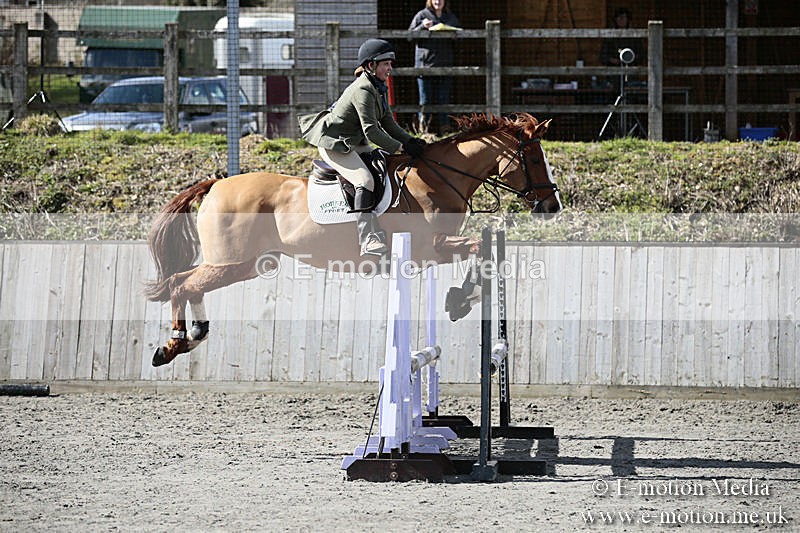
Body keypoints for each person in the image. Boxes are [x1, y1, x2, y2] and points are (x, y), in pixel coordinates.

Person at [299, 38, 427, 257]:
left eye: (390, 63)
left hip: (354, 141)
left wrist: (410, 141)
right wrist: (399, 148)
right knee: (364, 180)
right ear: (371, 65)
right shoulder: (363, 89)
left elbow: (388, 123)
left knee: (384, 169)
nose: (390, 68)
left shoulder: (379, 87)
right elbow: (372, 131)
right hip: (335, 143)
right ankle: (367, 238)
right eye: (385, 63)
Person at [408, 0, 460, 133]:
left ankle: (445, 128)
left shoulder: (450, 17)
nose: (438, 1)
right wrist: (421, 26)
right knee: (425, 100)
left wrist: (453, 34)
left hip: (444, 65)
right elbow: (409, 36)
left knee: (444, 99)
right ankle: (423, 129)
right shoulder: (421, 15)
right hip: (425, 66)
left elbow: (460, 36)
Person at [599, 7, 644, 91]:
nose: (621, 20)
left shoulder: (634, 36)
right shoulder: (610, 37)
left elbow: (641, 55)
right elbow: (602, 57)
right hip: (613, 76)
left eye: (623, 17)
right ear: (615, 20)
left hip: (631, 75)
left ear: (628, 19)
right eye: (619, 17)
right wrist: (613, 60)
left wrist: (631, 59)